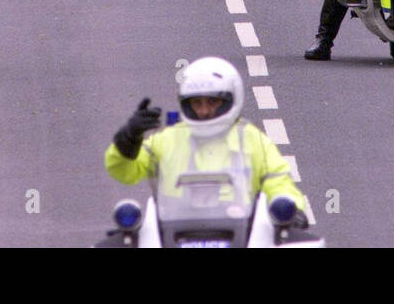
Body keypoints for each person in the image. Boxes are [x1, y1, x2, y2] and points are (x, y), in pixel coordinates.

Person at [104, 57, 309, 226]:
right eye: (197, 103)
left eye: (212, 102)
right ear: (185, 103)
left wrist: (293, 211)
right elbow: (123, 172)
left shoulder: (252, 139)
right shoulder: (166, 139)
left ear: (230, 100)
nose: (204, 110)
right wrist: (129, 137)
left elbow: (280, 183)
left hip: (242, 231)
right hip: (173, 232)